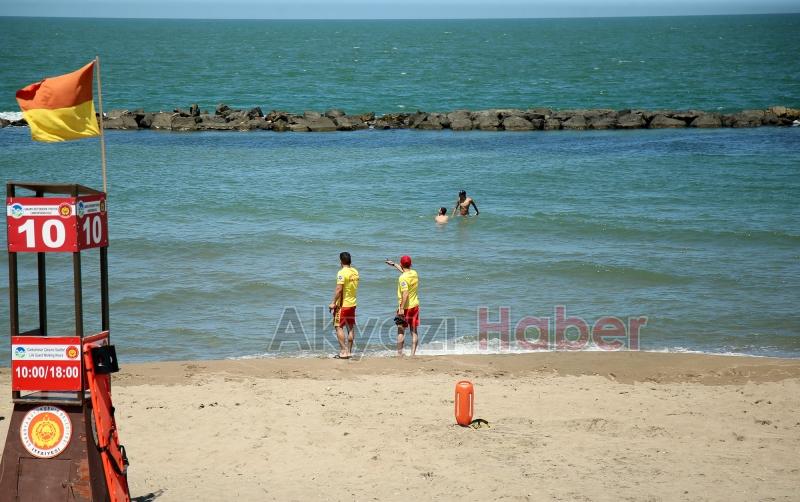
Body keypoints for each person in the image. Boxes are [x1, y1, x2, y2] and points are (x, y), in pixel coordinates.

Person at [385, 255, 420, 356]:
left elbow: (405, 293)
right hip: (415, 306)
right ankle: (413, 354)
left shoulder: (402, 278)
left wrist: (401, 309)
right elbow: (405, 272)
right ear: (410, 264)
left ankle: (399, 354)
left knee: (400, 331)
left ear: (401, 264)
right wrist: (394, 264)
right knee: (414, 331)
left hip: (405, 308)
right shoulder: (414, 273)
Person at [329, 252, 359, 359]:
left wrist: (333, 302)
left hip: (342, 305)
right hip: (352, 304)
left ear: (341, 261)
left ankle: (343, 351)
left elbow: (339, 289)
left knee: (338, 327)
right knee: (350, 327)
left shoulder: (342, 272)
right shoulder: (355, 272)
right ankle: (349, 351)